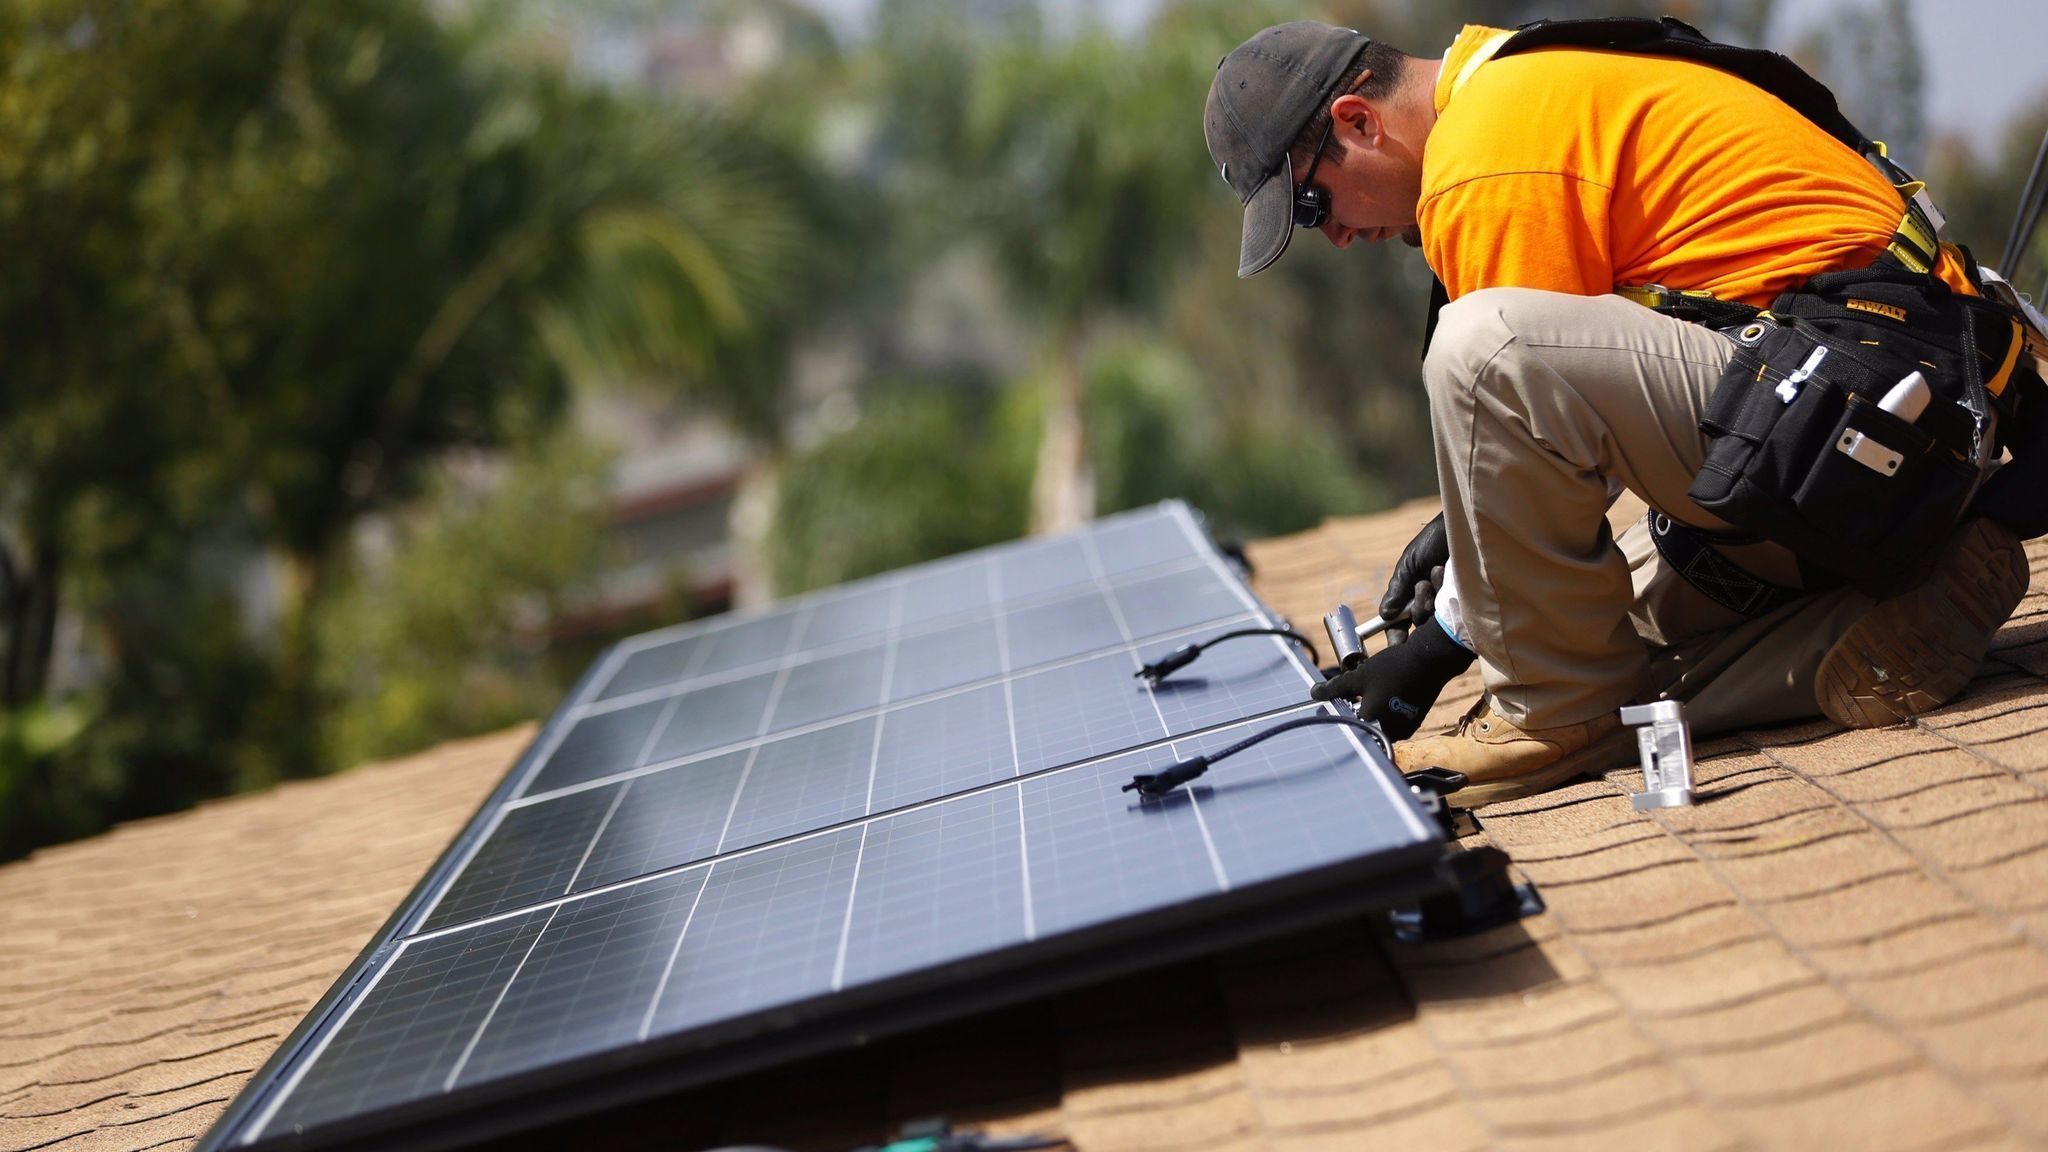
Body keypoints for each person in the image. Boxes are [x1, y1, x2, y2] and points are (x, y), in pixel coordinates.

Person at [1203, 19, 2046, 806]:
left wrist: (1437, 648)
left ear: (1358, 121)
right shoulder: (1515, 76)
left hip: (1867, 423)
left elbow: (1512, 375)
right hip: (1894, 422)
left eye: (1312, 207)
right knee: (1608, 610)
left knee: (1480, 348)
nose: (1337, 238)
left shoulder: (1483, 164)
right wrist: (1470, 531)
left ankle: (1552, 712)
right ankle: (1872, 624)